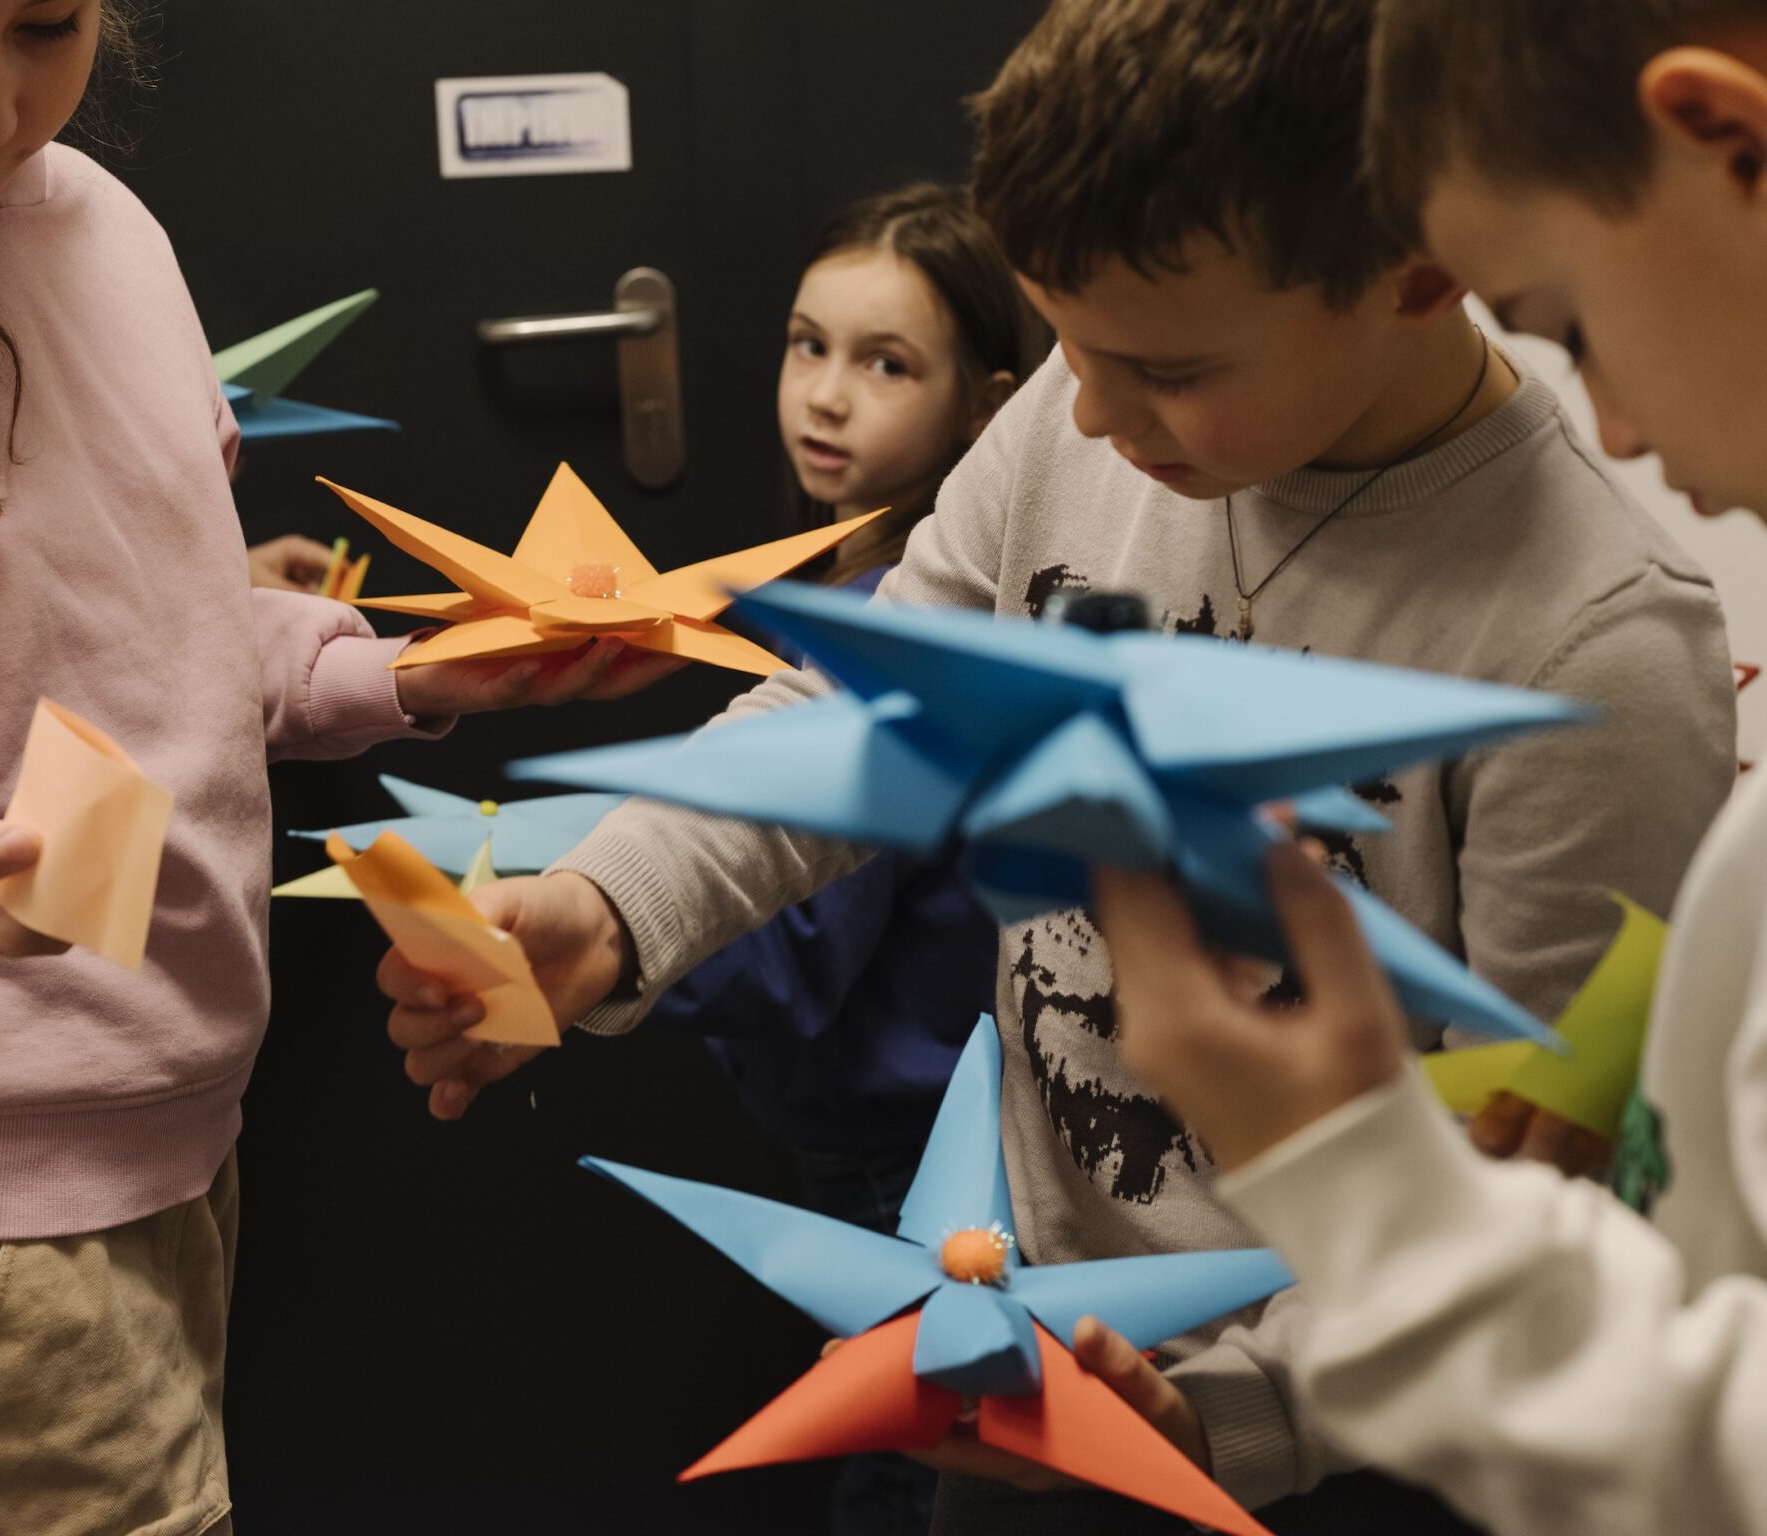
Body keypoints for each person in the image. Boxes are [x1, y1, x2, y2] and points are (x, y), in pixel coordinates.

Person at [377, 0, 1738, 1528]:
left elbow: (1537, 1183)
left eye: (1163, 366)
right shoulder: (1089, 410)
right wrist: (612, 903)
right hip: (1028, 1349)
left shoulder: (1598, 652)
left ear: (1418, 271)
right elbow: (870, 713)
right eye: (1065, 347)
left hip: (1354, 1455)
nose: (1087, 411)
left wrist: (1232, 1417)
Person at [0, 4, 664, 1531]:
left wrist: (399, 673)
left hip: (165, 1135)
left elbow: (157, 625)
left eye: (46, 23)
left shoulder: (103, 228)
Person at [1084, 3, 1767, 1533]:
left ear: (1733, 147)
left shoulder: (1601, 630)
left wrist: (1355, 1174)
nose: (1614, 427)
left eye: (1567, 321)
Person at [644, 181, 1031, 1536]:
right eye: (808, 345)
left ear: (989, 407)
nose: (825, 394)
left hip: (909, 1153)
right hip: (881, 1133)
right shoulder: (841, 587)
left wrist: (595, 904)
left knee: (914, 1468)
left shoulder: (898, 630)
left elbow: (783, 958)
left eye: (887, 365)